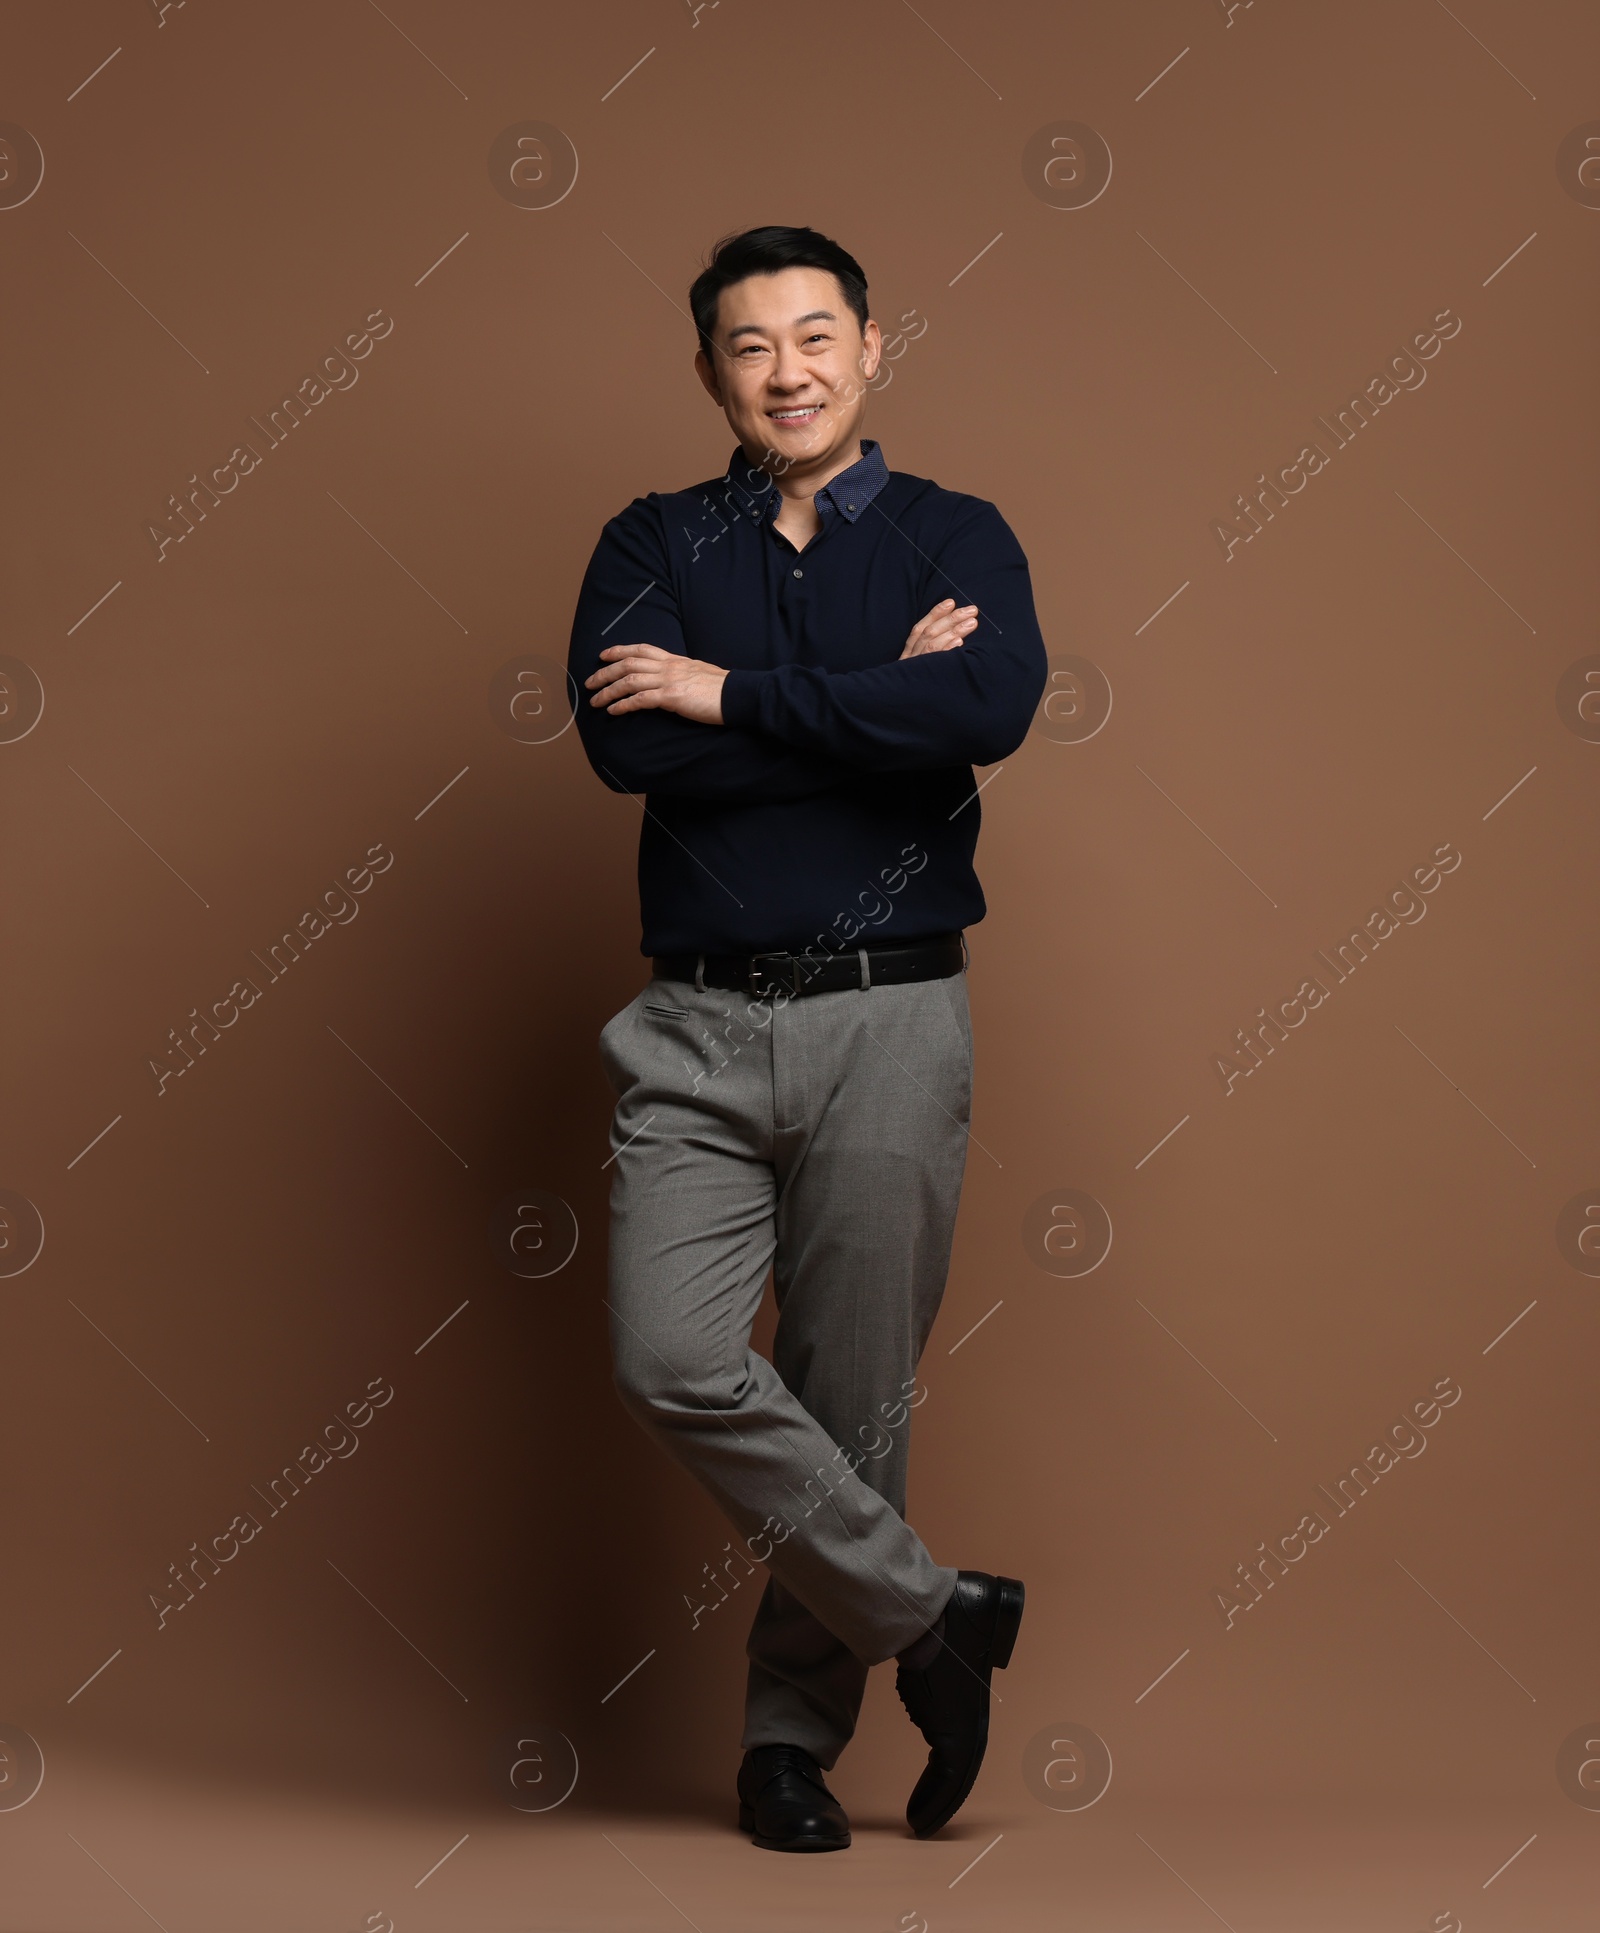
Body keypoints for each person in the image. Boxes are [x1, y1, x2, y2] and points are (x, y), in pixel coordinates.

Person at [567, 224, 1045, 1852]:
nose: (789, 370)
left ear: (874, 347)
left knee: (857, 1404)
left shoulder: (954, 535)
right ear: (711, 370)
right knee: (672, 1354)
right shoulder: (650, 539)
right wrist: (859, 706)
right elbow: (627, 754)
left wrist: (733, 696)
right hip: (695, 1021)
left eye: (817, 335)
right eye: (753, 346)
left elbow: (982, 716)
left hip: (894, 1016)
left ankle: (791, 1744)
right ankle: (936, 1616)